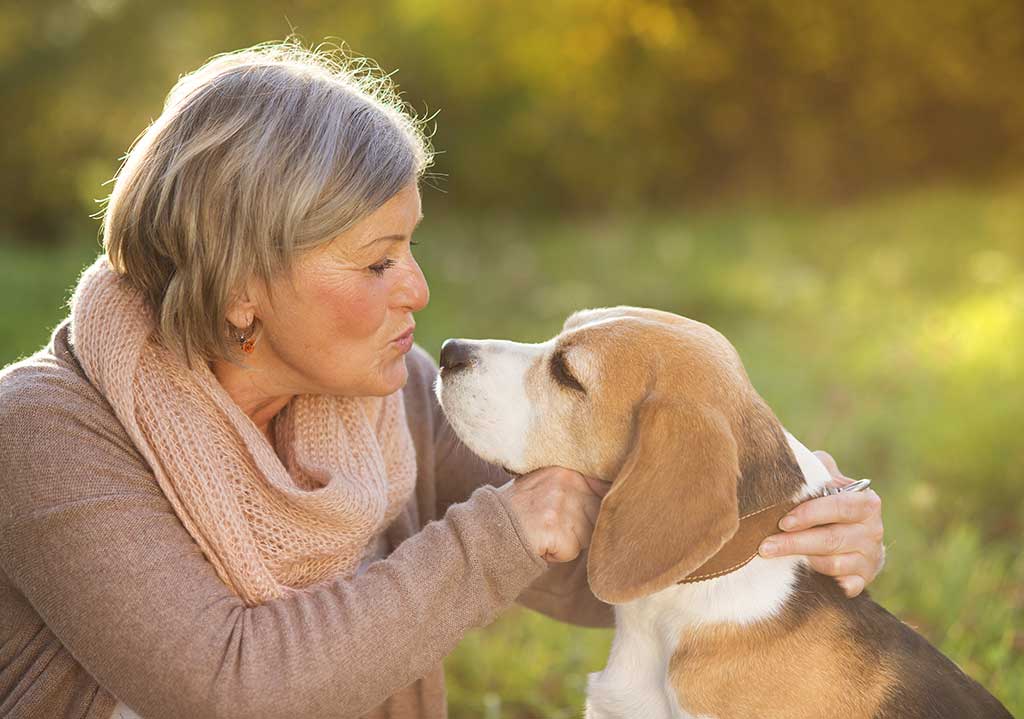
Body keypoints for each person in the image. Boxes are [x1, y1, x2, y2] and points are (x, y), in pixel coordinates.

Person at [0, 41, 885, 719]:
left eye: (411, 247)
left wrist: (787, 534)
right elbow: (225, 684)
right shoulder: (46, 429)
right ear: (242, 291)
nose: (418, 289)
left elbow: (594, 567)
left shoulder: (391, 397)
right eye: (378, 261)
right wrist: (493, 535)